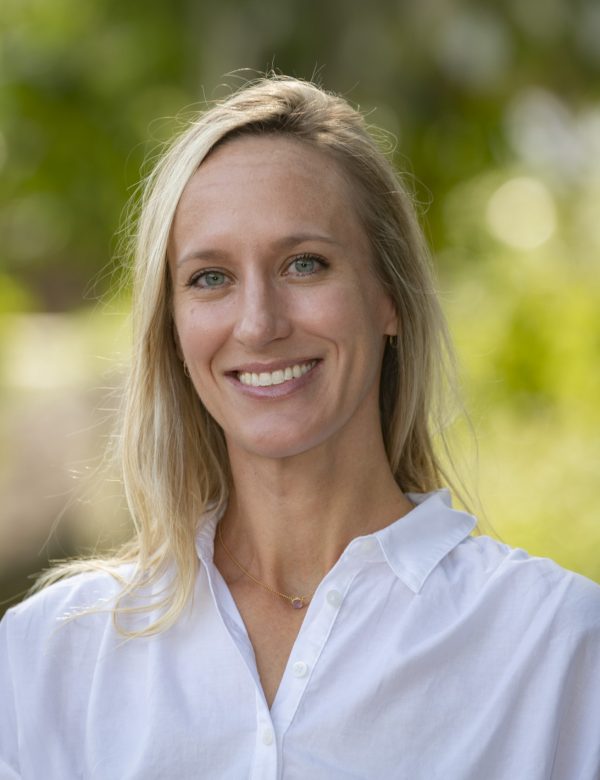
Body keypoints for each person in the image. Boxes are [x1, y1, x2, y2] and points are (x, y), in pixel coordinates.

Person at [0, 75, 599, 780]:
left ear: (389, 298)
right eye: (210, 278)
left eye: (304, 264)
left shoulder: (556, 646)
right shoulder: (52, 656)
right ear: (172, 326)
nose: (258, 323)